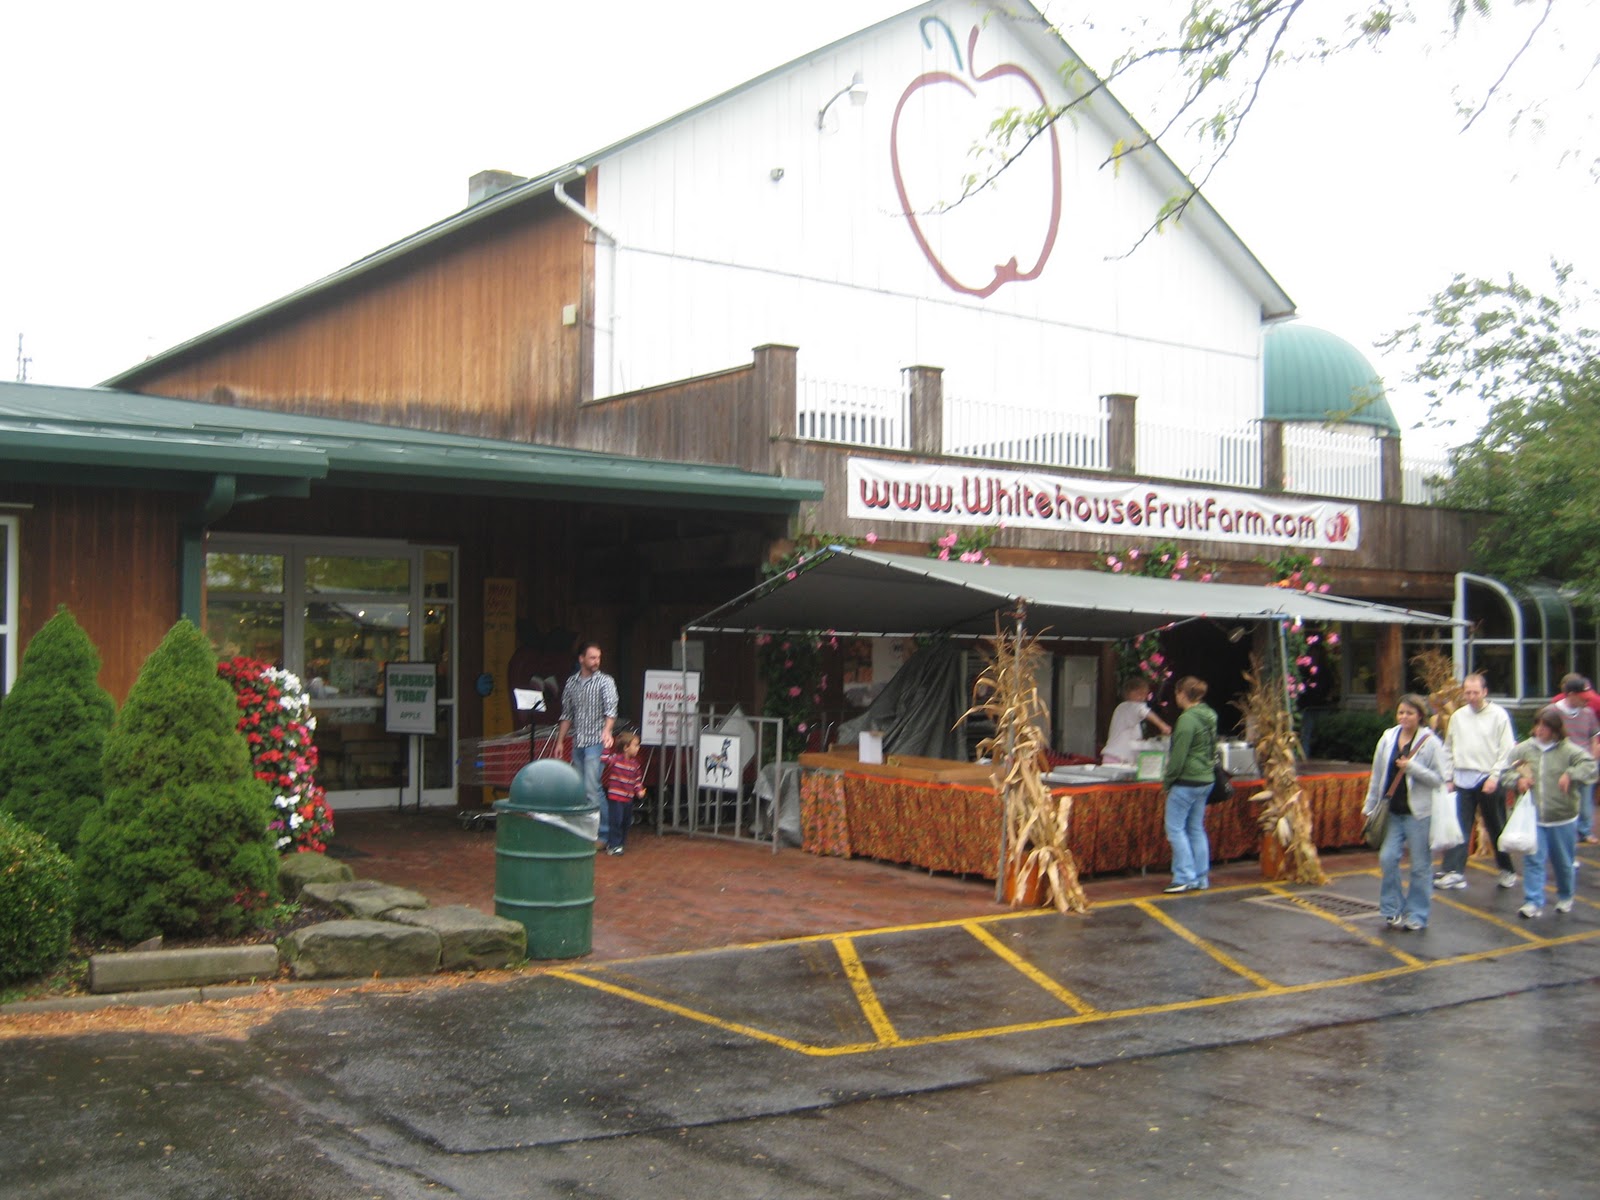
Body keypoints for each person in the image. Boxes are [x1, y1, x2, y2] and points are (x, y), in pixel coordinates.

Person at [1500, 706, 1596, 919]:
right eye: (1538, 725)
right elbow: (1504, 772)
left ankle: (1565, 895)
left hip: (1562, 817)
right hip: (1534, 817)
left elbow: (1590, 767)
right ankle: (1532, 901)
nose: (1540, 730)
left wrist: (1571, 774)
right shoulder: (1524, 749)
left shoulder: (1568, 750)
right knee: (1533, 859)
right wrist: (1518, 780)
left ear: (1555, 729)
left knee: (1563, 862)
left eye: (1546, 726)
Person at [1364, 693, 1447, 931]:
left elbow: (1439, 778)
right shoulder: (1388, 738)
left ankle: (1418, 914)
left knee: (1420, 866)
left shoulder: (1430, 742)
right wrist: (1369, 806)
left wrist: (1412, 768)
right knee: (1387, 859)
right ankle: (1391, 908)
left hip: (1419, 814)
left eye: (1409, 713)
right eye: (1401, 712)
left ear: (1420, 716)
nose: (1404, 717)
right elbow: (1377, 775)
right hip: (1392, 811)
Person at [1437, 672, 1517, 891]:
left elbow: (1507, 749)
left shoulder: (1498, 715)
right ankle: (1455, 871)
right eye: (1467, 692)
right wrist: (1449, 776)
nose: (1471, 696)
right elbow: (1448, 748)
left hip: (1488, 778)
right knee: (1459, 827)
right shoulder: (1458, 717)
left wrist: (1494, 776)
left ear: (1484, 692)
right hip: (1463, 778)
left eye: (1475, 692)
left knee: (1496, 825)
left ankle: (1507, 869)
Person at [1160, 676, 1217, 894]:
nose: (1176, 698)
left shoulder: (1187, 720)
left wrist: (1168, 781)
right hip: (1205, 779)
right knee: (1195, 828)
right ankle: (1201, 876)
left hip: (1186, 780)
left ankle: (1183, 876)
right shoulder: (1209, 716)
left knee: (1175, 829)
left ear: (1183, 694)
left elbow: (1178, 756)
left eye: (1176, 693)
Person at [558, 641, 618, 840]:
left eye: (598, 658)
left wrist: (607, 731)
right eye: (592, 657)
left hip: (596, 741)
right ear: (581, 658)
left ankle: (604, 834)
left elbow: (611, 710)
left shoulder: (605, 681)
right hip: (578, 741)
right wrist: (560, 741)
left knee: (593, 787)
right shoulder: (571, 682)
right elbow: (567, 714)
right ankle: (585, 831)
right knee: (580, 788)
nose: (596, 661)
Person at [1550, 673, 1600, 844]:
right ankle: (1564, 832)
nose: (1587, 701)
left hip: (1584, 762)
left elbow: (1594, 738)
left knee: (1585, 801)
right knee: (1563, 800)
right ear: (1571, 695)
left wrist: (1593, 760)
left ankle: (1584, 831)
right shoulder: (1553, 712)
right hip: (1561, 763)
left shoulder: (1588, 713)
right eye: (1583, 697)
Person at [1102, 677, 1173, 765]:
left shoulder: (1132, 716)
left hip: (1123, 759)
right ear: (1128, 694)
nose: (1142, 697)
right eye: (1139, 693)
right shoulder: (1126, 707)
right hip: (1117, 758)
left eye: (1144, 694)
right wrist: (1163, 725)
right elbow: (1143, 711)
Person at [600, 731, 647, 856]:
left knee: (626, 821)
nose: (638, 748)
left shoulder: (635, 764)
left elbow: (637, 781)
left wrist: (639, 790)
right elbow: (604, 759)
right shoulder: (615, 759)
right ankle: (614, 845)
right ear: (626, 748)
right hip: (616, 798)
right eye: (635, 745)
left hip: (628, 798)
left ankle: (620, 843)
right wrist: (606, 747)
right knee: (616, 821)